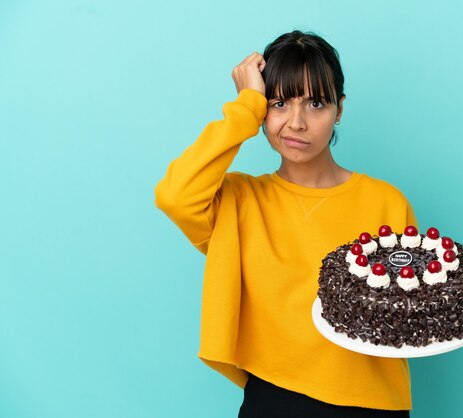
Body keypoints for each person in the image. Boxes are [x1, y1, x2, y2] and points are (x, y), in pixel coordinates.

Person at [155, 30, 416, 417]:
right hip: (273, 398)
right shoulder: (238, 201)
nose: (296, 123)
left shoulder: (386, 202)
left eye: (315, 103)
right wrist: (245, 107)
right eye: (279, 103)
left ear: (339, 110)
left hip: (371, 401)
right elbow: (174, 195)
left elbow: (410, 311)